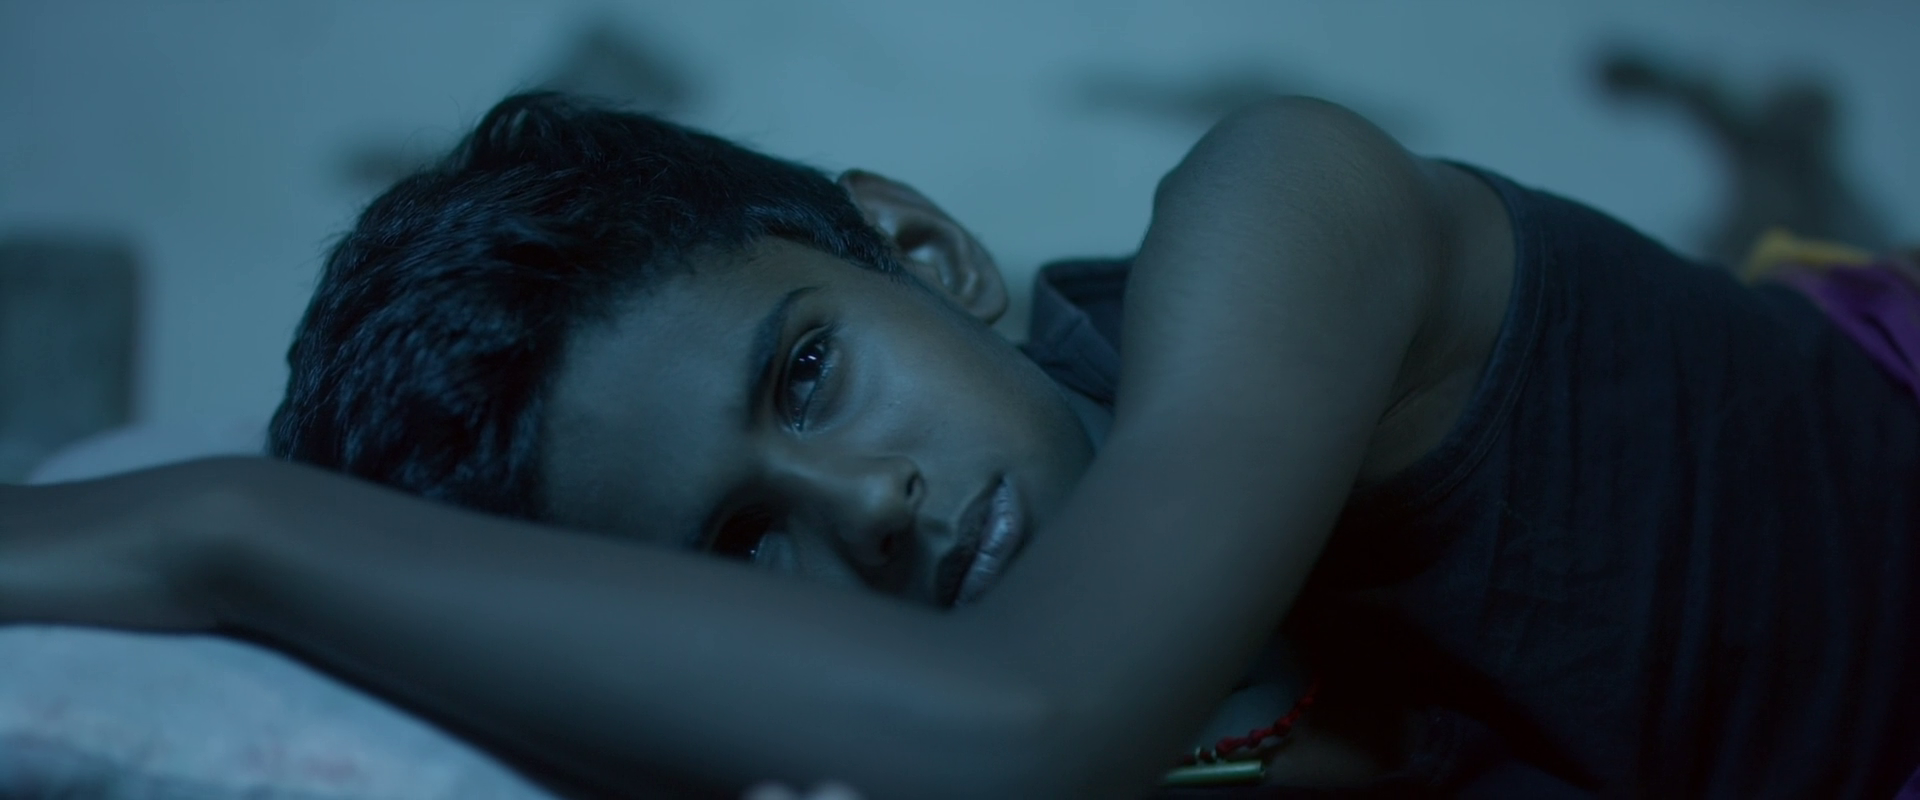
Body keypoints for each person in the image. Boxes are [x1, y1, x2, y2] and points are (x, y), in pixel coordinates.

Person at [3, 90, 1917, 799]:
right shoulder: (1211, 715)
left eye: (808, 378)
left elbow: (1022, 725)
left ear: (923, 253)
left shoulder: (1285, 207)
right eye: (741, 548)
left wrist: (228, 532)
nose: (872, 513)